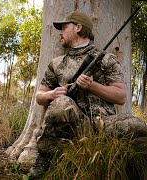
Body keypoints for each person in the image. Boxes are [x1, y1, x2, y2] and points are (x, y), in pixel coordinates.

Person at [30, 11, 127, 177]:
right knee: (60, 103)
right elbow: (39, 96)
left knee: (139, 126)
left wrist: (92, 86)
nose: (60, 32)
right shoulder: (56, 63)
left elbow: (121, 97)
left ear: (78, 27)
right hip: (72, 125)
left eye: (64, 27)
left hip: (104, 124)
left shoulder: (106, 59)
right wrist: (52, 94)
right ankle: (45, 158)